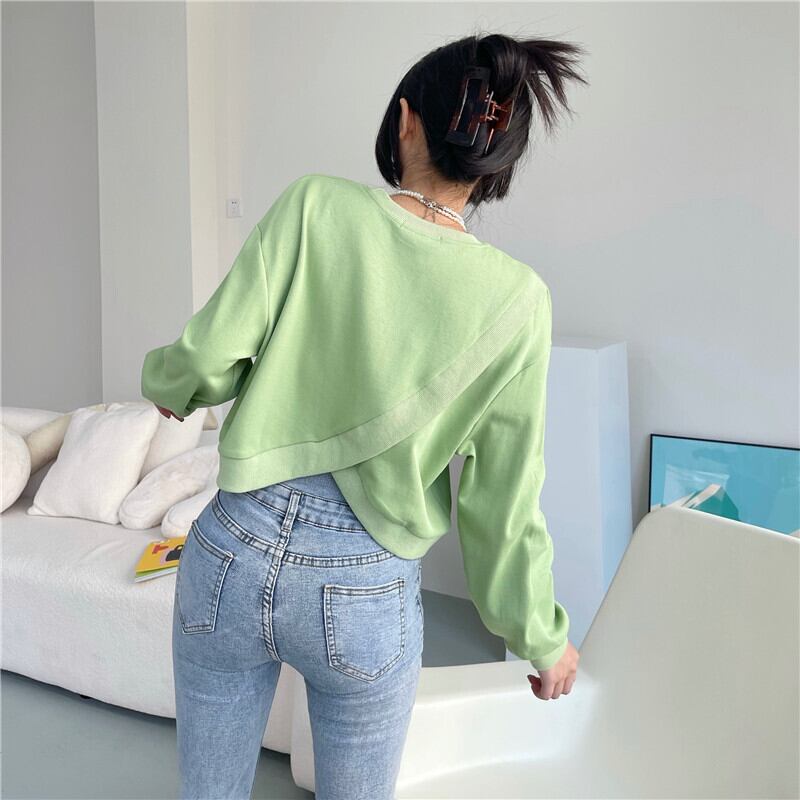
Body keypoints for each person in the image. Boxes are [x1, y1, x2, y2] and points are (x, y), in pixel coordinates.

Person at [141, 30, 587, 800]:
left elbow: (209, 355)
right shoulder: (520, 300)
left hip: (232, 548)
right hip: (364, 585)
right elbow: (502, 504)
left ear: (406, 122)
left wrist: (168, 385)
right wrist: (542, 637)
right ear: (496, 164)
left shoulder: (315, 204)